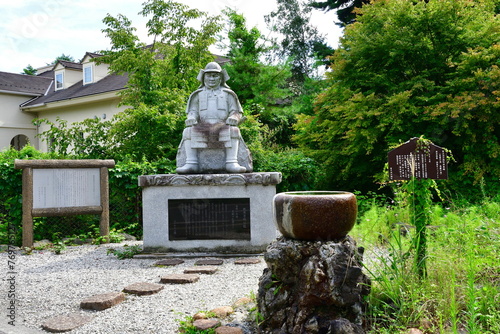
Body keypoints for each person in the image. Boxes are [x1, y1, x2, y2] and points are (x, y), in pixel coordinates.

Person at [176, 62, 250, 174]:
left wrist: (234, 117)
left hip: (222, 126)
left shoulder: (228, 94)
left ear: (221, 78)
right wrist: (191, 117)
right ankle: (191, 163)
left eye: (215, 75)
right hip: (202, 126)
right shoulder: (198, 94)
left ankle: (231, 162)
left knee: (234, 130)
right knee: (188, 131)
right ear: (203, 77)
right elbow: (193, 111)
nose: (212, 78)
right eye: (209, 75)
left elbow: (236, 111)